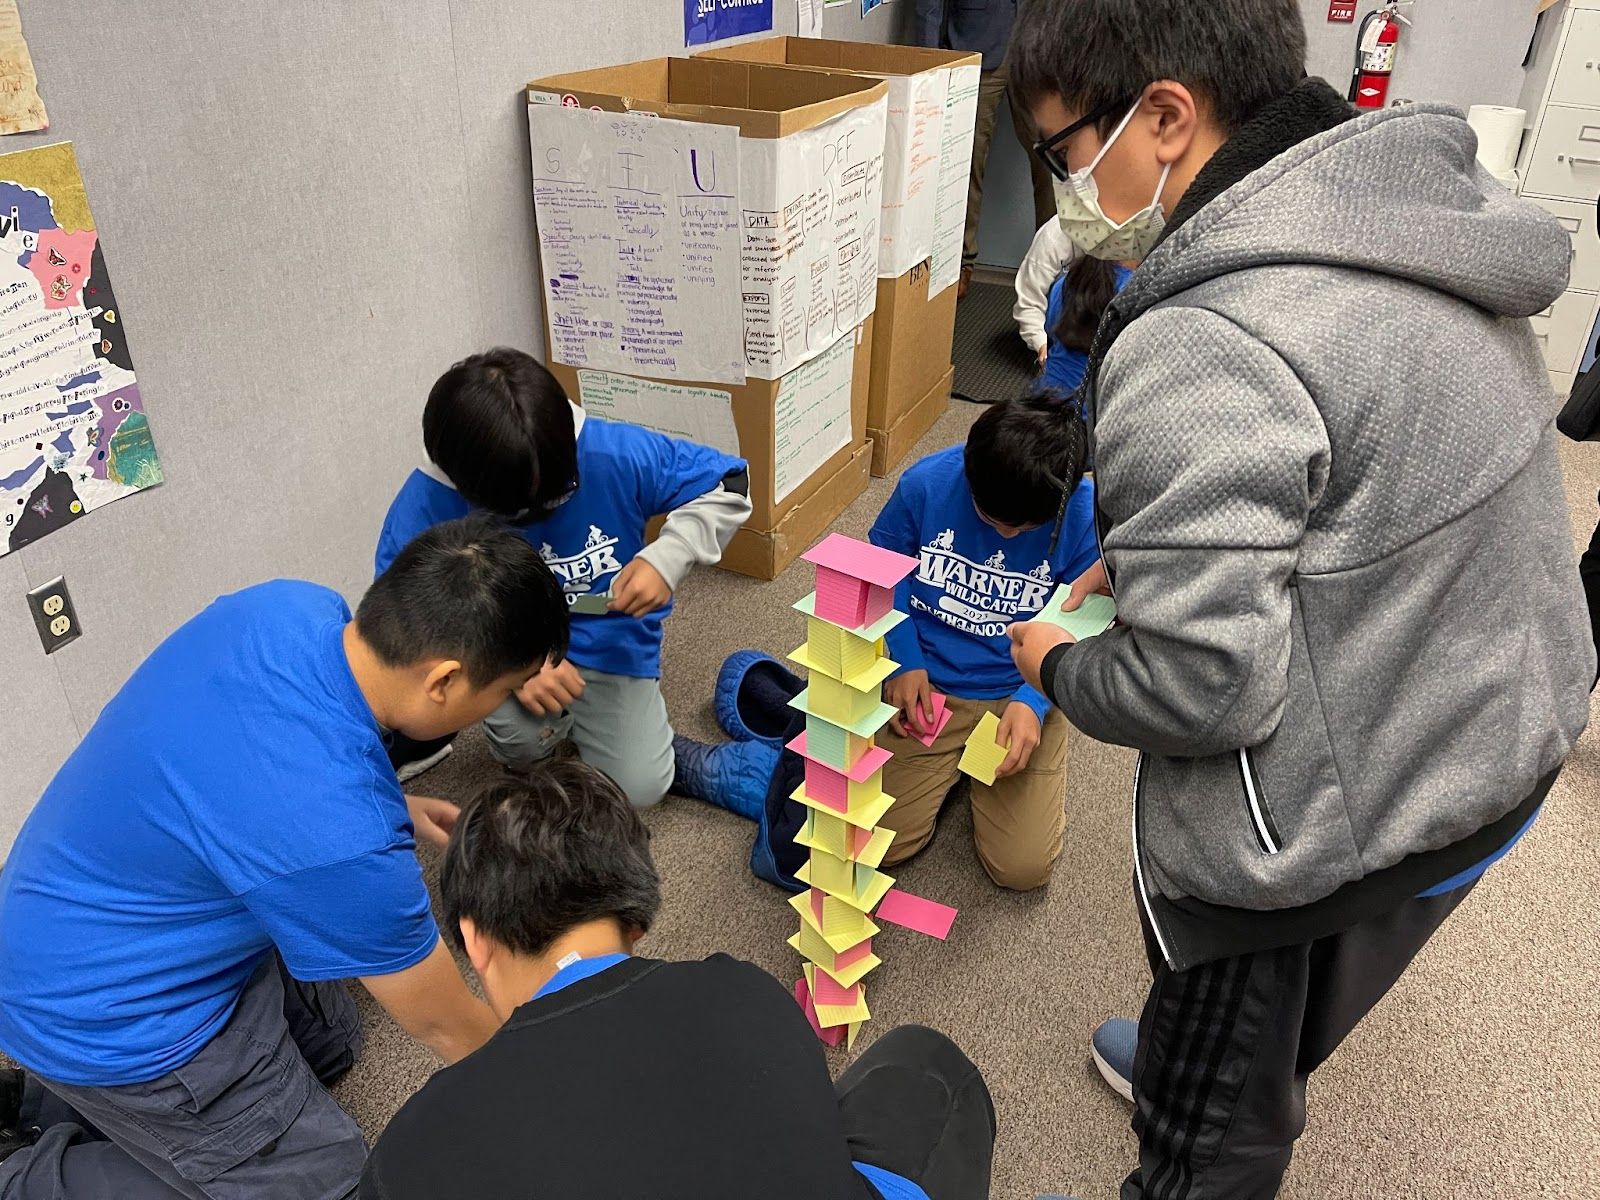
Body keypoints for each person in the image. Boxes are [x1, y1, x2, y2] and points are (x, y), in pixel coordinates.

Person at [1003, 1, 1594, 1196]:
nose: (1062, 189)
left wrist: (1053, 667)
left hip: (1351, 814)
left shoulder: (1206, 338)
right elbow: (1352, 467)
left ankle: (1195, 1105)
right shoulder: (1396, 214)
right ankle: (1192, 1058)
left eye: (1063, 152)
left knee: (1217, 1133)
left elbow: (1197, 686)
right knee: (1263, 1027)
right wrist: (1166, 546)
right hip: (1499, 708)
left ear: (1164, 117)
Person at [0, 516, 570, 1198]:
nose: (501, 707)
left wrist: (393, 805)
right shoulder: (342, 840)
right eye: (504, 690)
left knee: (334, 1044)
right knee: (334, 1188)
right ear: (444, 680)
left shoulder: (288, 606)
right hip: (113, 1014)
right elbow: (445, 1023)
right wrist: (553, 1097)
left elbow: (256, 763)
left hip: (70, 906)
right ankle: (28, 1165)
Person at [361, 760, 996, 1200]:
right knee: (924, 1062)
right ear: (635, 921)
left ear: (473, 939)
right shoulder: (745, 994)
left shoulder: (410, 1154)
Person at [375, 347, 752, 807]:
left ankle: (638, 735)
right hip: (507, 650)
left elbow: (730, 480)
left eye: (556, 500)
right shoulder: (425, 505)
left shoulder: (611, 452)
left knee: (640, 789)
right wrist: (515, 669)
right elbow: (408, 629)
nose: (540, 518)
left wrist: (668, 557)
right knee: (520, 745)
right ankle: (566, 723)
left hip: (608, 641)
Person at [868, 396, 1098, 891]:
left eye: (1022, 528)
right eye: (989, 516)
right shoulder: (925, 484)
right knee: (877, 846)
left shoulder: (1083, 514)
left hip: (1019, 686)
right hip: (930, 682)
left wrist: (1034, 702)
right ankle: (948, 770)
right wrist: (903, 659)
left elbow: (1081, 621)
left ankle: (992, 759)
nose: (1004, 534)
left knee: (1022, 870)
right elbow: (881, 571)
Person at [915, 0, 1053, 298]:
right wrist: (929, 63)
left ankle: (1056, 269)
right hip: (974, 45)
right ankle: (959, 264)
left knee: (1052, 157)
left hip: (1036, 50)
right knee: (965, 159)